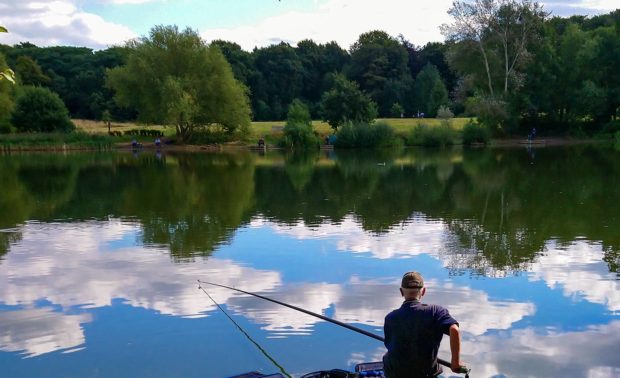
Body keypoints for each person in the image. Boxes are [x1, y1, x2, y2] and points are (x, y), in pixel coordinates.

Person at [383, 272, 465, 377]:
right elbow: (454, 330)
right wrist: (455, 363)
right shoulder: (436, 311)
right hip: (426, 373)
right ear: (424, 291)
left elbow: (390, 346)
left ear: (401, 292)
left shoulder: (390, 317)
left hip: (396, 374)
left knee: (387, 355)